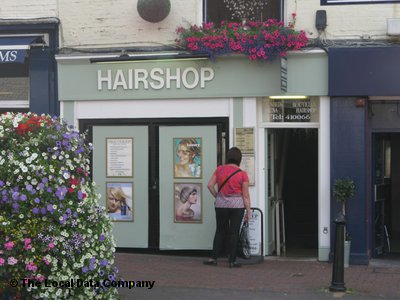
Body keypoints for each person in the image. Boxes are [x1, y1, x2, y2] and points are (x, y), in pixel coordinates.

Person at [204, 147, 251, 268]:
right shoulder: (242, 174)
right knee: (234, 233)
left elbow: (209, 185)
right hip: (237, 206)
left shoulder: (219, 170)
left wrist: (218, 196)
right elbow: (245, 196)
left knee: (220, 231)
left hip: (221, 205)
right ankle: (232, 261)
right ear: (239, 159)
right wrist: (248, 212)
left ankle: (213, 258)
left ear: (228, 157)